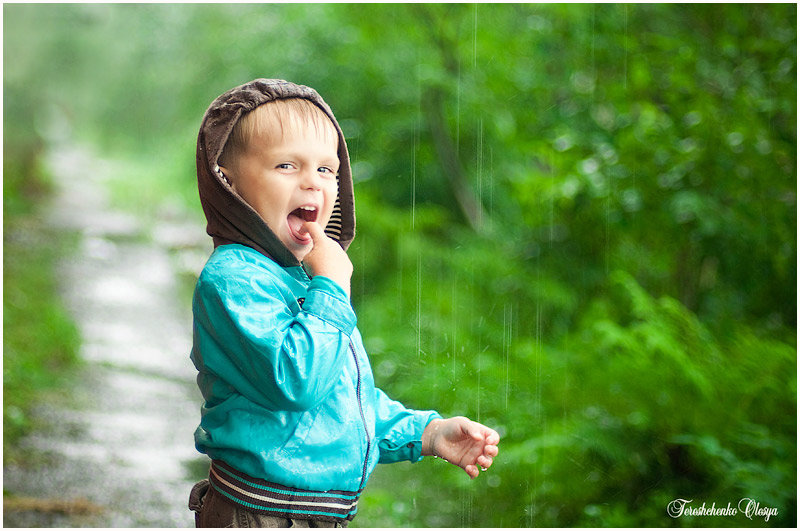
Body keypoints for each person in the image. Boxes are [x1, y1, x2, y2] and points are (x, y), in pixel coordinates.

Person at [188, 79, 500, 528]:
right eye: (285, 165)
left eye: (326, 170)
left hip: (312, 513)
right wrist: (331, 287)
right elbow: (297, 382)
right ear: (228, 181)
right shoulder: (235, 278)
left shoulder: (306, 278)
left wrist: (426, 432)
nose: (312, 183)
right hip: (260, 511)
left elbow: (340, 401)